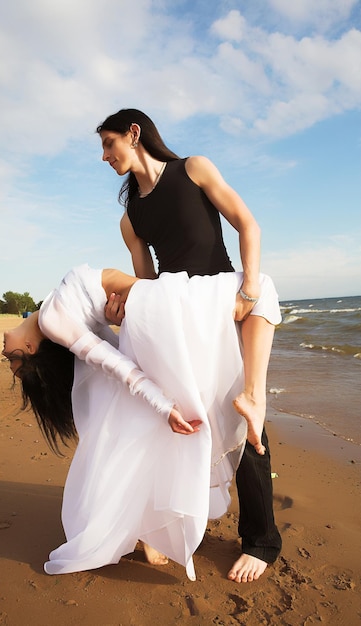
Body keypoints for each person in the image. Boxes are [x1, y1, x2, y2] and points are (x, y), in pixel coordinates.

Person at [3, 263, 281, 581]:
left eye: (10, 361)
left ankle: (151, 530)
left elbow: (109, 333)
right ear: (29, 348)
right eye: (13, 359)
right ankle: (253, 394)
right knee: (261, 287)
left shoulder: (54, 310)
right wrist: (163, 405)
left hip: (149, 306)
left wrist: (113, 314)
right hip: (154, 305)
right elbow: (116, 364)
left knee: (144, 437)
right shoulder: (53, 320)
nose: (4, 352)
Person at [97, 108, 282, 582]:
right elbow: (147, 284)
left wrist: (250, 289)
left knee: (245, 416)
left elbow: (249, 225)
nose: (104, 156)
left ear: (133, 134)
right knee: (179, 425)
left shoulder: (193, 168)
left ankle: (261, 541)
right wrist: (121, 314)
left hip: (224, 302)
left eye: (108, 144)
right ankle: (164, 530)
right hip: (179, 315)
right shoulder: (130, 219)